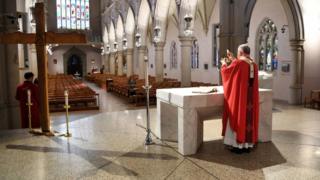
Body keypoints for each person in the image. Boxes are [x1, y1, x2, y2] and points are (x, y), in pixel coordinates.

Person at [220, 44, 259, 153]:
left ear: (241, 52)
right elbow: (239, 68)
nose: (237, 55)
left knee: (238, 117)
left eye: (238, 53)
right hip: (250, 99)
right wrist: (233, 59)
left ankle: (238, 146)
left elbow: (227, 72)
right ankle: (247, 145)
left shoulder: (239, 63)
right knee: (248, 119)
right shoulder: (253, 64)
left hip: (240, 100)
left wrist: (223, 64)